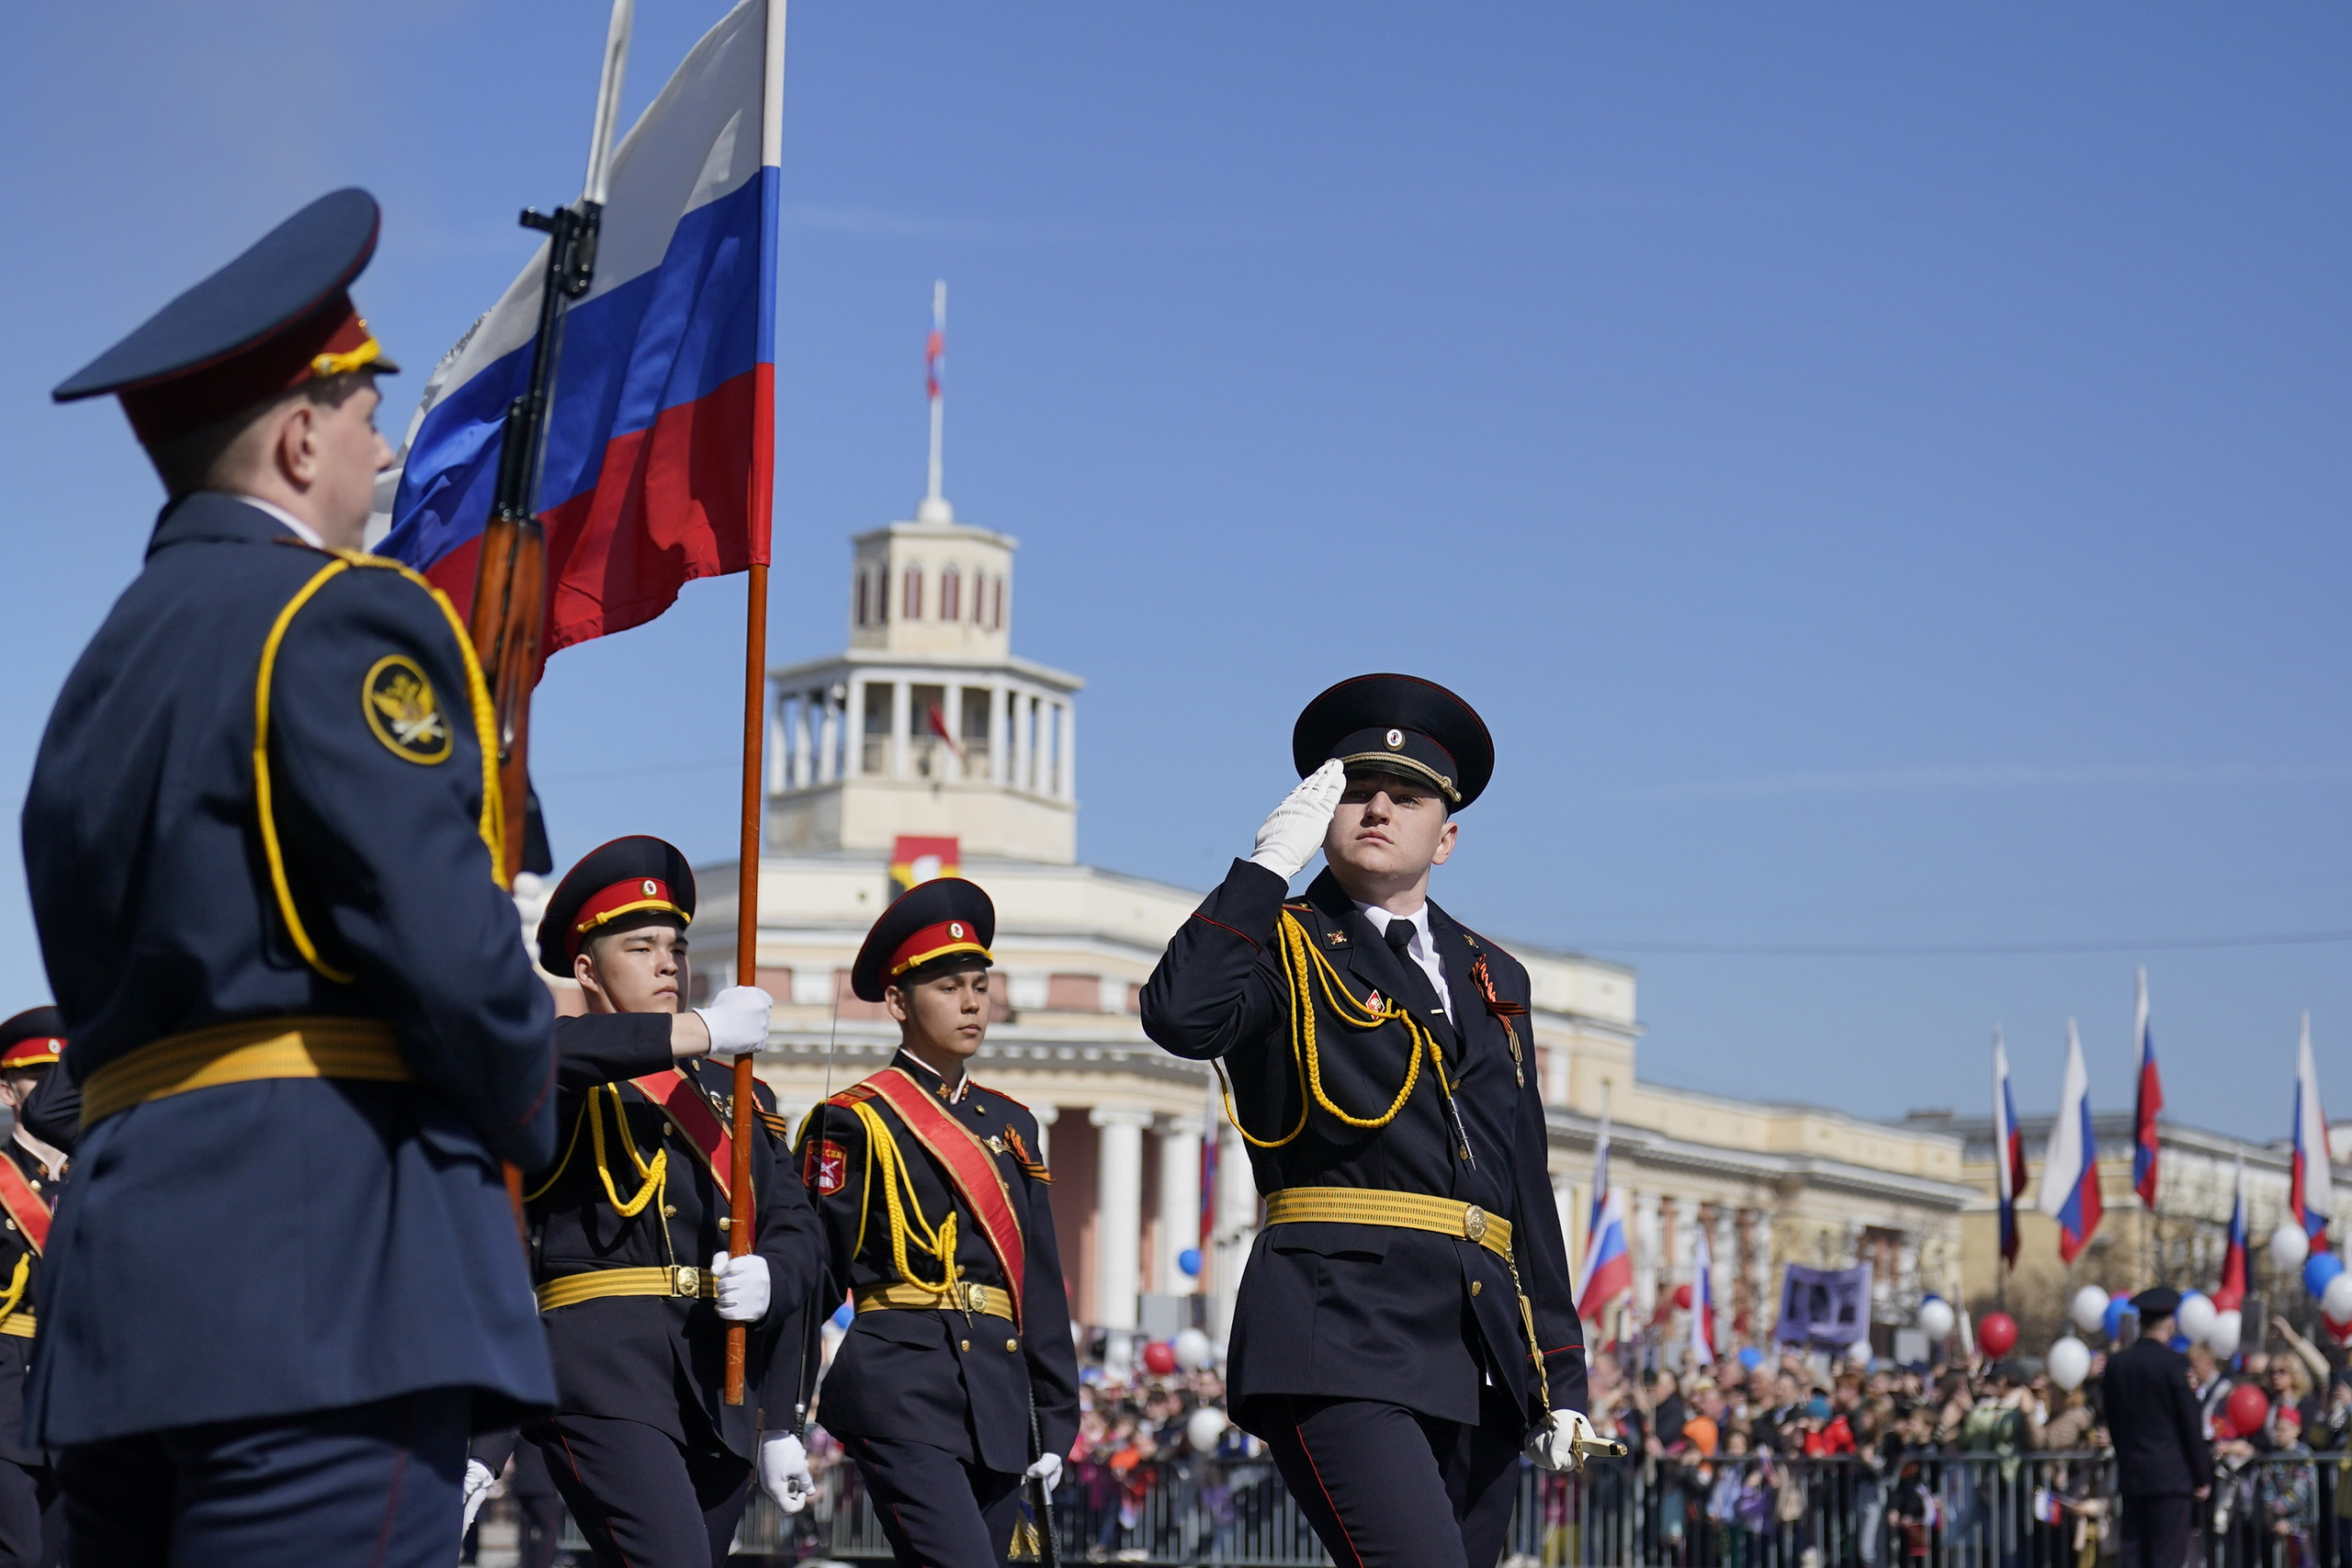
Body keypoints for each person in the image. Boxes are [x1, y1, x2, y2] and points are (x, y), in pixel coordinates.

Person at [25, 188, 557, 1564]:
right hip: (326, 1278)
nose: (382, 446)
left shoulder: (95, 677)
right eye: (367, 411)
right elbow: (452, 958)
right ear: (301, 435)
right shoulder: (341, 618)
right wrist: (526, 1096)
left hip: (122, 1295)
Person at [1138, 672, 1596, 1568]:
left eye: (1408, 797)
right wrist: (1264, 869)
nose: (1379, 807)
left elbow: (1521, 1187)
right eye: (1356, 791)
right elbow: (1180, 1018)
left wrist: (1561, 1376)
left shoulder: (1493, 975)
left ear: (1446, 837)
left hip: (1477, 1349)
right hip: (1337, 1329)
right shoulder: (1280, 940)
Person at [484, 836, 823, 1567]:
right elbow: (532, 1052)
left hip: (717, 1381)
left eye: (677, 947)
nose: (669, 962)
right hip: (600, 1374)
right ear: (587, 969)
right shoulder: (557, 1062)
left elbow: (799, 1230)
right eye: (641, 947)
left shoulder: (737, 1094)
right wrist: (700, 1031)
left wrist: (773, 1285)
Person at [797, 876, 1080, 1568]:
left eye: (980, 985)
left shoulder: (1012, 1124)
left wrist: (1056, 1416)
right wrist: (779, 1414)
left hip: (997, 1398)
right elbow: (813, 1274)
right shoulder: (855, 1119)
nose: (971, 1002)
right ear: (898, 1001)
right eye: (949, 987)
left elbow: (1038, 1282)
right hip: (900, 1385)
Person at [0, 1010, 66, 1568]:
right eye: (37, 1075)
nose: (53, 1088)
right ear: (7, 1090)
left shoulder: (105, 1175)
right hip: (8, 1396)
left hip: (87, 1399)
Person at [2101, 1287, 2211, 1568]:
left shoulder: (2117, 1365)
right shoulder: (2175, 1364)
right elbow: (2190, 1423)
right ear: (2170, 1323)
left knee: (2133, 1557)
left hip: (2133, 1475)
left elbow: (2113, 1421)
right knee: (2165, 1558)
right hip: (2171, 1478)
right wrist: (2201, 1473)